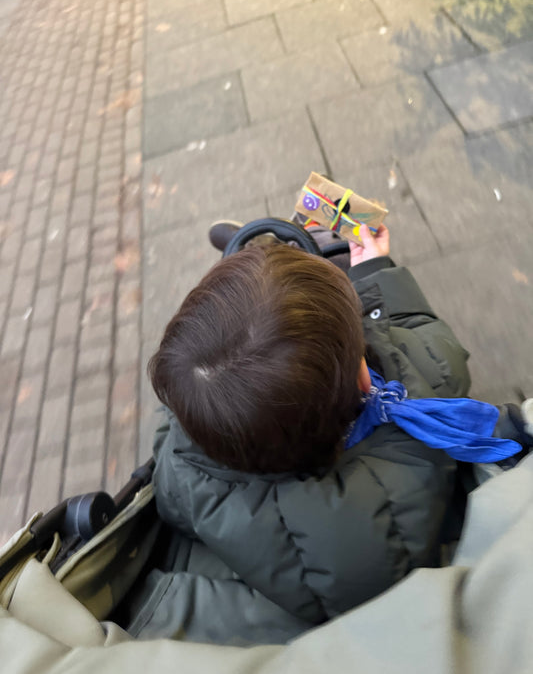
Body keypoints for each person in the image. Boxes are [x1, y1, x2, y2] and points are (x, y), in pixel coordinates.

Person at [145, 222, 529, 643]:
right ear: (364, 383)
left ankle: (261, 258)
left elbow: (176, 439)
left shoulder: (184, 459)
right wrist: (374, 272)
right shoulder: (417, 400)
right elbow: (430, 345)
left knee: (247, 355)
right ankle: (304, 257)